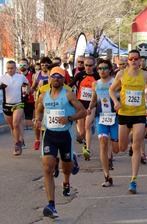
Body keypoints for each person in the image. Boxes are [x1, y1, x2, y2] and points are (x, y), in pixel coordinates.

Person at [35, 67, 86, 218]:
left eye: (59, 76)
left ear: (64, 80)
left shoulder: (69, 95)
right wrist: (37, 120)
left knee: (66, 166)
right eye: (53, 76)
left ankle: (67, 179)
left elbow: (83, 111)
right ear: (49, 79)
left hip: (65, 136)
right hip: (50, 134)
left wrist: (69, 118)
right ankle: (51, 205)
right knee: (47, 168)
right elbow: (38, 110)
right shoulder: (43, 96)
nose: (56, 78)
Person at [109, 49, 147, 194]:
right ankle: (130, 141)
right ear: (128, 60)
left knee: (137, 145)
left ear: (140, 61)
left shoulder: (145, 74)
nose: (133, 61)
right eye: (131, 59)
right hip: (124, 113)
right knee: (122, 147)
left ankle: (133, 180)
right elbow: (111, 90)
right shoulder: (121, 74)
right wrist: (115, 102)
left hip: (139, 113)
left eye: (136, 59)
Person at [88, 59, 119, 187]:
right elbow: (94, 99)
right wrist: (90, 107)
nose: (102, 70)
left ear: (110, 69)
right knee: (102, 143)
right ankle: (106, 176)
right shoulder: (95, 84)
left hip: (115, 118)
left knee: (116, 148)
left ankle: (111, 156)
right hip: (102, 117)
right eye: (99, 68)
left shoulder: (116, 82)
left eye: (105, 68)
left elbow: (122, 96)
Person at [69, 56, 99, 160]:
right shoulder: (80, 75)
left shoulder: (97, 75)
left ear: (94, 65)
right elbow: (70, 85)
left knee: (87, 126)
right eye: (86, 65)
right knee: (81, 132)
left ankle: (87, 149)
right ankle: (85, 139)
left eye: (90, 65)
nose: (88, 67)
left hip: (92, 104)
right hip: (80, 104)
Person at [0, 60, 29, 155]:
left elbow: (27, 84)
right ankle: (18, 141)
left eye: (12, 68)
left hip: (18, 103)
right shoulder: (2, 78)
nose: (10, 70)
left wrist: (27, 92)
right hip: (7, 105)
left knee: (16, 123)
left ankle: (17, 145)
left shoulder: (20, 77)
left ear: (15, 68)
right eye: (8, 68)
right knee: (12, 126)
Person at [32, 57, 52, 150]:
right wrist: (29, 91)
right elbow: (33, 86)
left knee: (46, 121)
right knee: (37, 120)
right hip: (39, 99)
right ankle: (37, 139)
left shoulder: (52, 74)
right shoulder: (37, 75)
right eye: (42, 65)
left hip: (50, 99)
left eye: (46, 65)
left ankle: (47, 144)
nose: (44, 66)